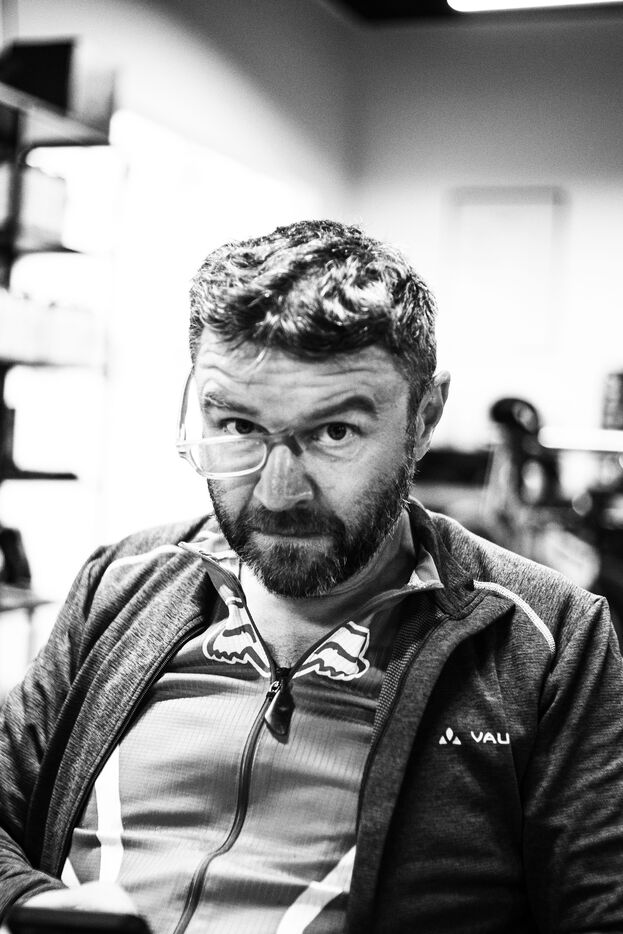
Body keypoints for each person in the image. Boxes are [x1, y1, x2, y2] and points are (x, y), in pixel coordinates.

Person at [1, 219, 623, 934]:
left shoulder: (547, 643)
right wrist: (36, 904)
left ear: (424, 417)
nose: (277, 493)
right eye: (238, 426)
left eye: (334, 433)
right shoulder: (121, 585)